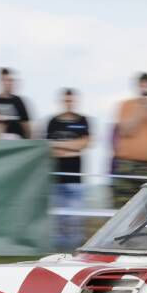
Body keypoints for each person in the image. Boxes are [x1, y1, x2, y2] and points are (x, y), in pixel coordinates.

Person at [112, 73, 147, 207]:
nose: (145, 89)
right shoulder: (126, 105)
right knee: (123, 206)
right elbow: (126, 130)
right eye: (142, 86)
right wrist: (140, 109)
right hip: (127, 164)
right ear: (137, 86)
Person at [46, 89, 92, 250]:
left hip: (75, 180)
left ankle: (74, 252)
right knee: (58, 221)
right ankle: (58, 253)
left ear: (75, 101)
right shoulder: (53, 122)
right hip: (56, 180)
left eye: (71, 100)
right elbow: (48, 148)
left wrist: (59, 145)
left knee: (75, 221)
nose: (69, 103)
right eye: (66, 100)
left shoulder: (83, 120)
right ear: (62, 101)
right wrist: (72, 147)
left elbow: (85, 144)